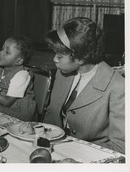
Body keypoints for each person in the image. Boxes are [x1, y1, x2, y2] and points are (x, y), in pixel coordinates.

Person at [43, 17, 125, 154]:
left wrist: (73, 150)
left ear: (81, 57)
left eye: (60, 56)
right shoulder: (62, 73)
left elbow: (121, 146)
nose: (54, 59)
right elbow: (51, 114)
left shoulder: (118, 87)